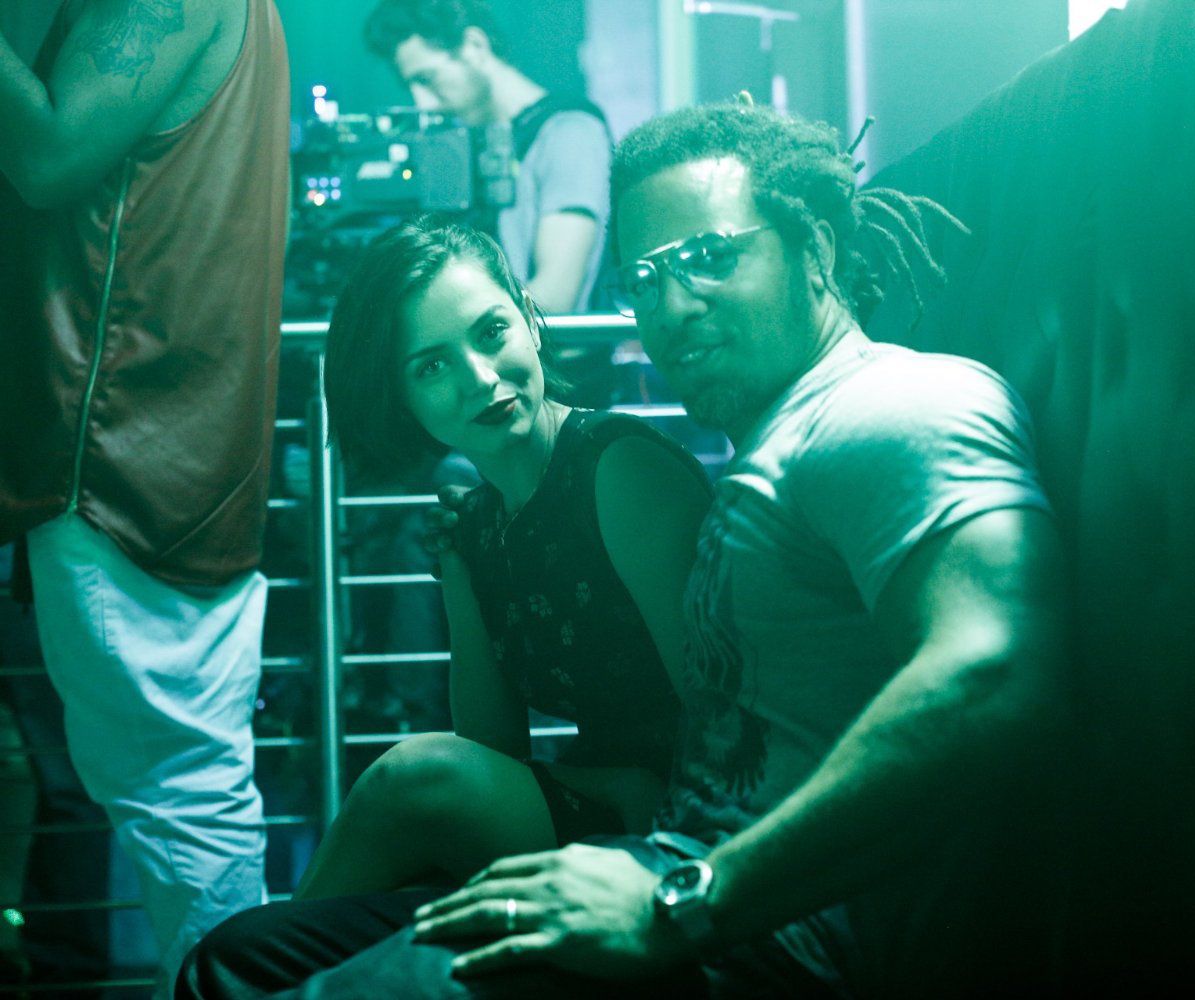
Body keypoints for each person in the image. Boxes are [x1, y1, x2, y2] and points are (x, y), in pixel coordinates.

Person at [178, 100, 1068, 999]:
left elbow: (994, 670)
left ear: (816, 250)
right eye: (646, 276)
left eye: (712, 256)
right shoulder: (770, 447)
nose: (673, 305)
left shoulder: (894, 406)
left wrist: (682, 899)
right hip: (681, 873)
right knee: (236, 961)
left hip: (750, 927)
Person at [0, 0, 289, 992]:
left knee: (181, 795)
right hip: (142, 446)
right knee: (179, 794)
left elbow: (46, 155)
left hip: (123, 450)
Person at [294, 216, 711, 900]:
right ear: (401, 398)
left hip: (689, 825)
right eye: (432, 366)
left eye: (492, 332)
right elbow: (493, 750)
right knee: (279, 939)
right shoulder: (481, 521)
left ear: (530, 320)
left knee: (410, 776)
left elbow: (723, 714)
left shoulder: (619, 469)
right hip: (599, 803)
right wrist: (459, 571)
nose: (480, 378)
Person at [363, 0, 612, 314]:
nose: (423, 103)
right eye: (409, 86)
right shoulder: (473, 146)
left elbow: (556, 298)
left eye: (427, 79)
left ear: (475, 46)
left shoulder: (570, 132)